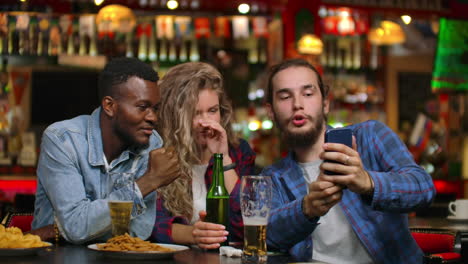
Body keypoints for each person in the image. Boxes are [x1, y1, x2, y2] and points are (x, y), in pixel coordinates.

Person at [262, 58, 436, 263]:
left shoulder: (370, 136)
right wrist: (307, 208)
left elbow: (423, 187)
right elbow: (267, 235)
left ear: (325, 103)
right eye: (284, 97)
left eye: (308, 94)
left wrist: (368, 182)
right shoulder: (273, 178)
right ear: (271, 111)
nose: (297, 104)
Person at [31, 57, 180, 244]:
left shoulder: (151, 143)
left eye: (155, 108)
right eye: (142, 107)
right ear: (110, 106)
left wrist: (64, 230)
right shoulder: (63, 139)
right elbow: (76, 227)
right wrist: (149, 181)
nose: (153, 118)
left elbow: (138, 233)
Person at [150, 62, 256, 249]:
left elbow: (249, 224)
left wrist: (223, 159)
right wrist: (194, 234)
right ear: (173, 115)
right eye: (195, 113)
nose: (205, 122)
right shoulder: (156, 154)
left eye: (212, 111)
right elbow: (151, 225)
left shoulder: (239, 151)